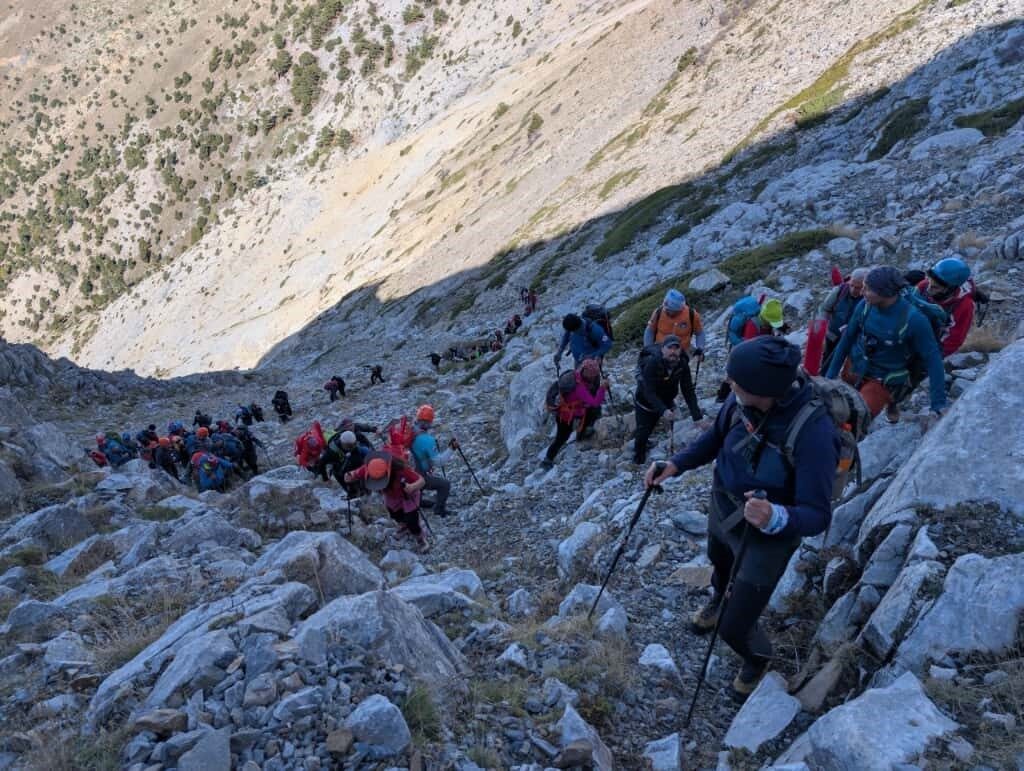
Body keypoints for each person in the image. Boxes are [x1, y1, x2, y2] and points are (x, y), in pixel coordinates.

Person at [646, 337, 839, 698]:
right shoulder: (739, 403)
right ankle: (719, 599)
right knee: (719, 562)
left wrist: (774, 516)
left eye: (736, 379)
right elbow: (715, 439)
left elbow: (817, 514)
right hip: (724, 506)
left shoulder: (814, 433)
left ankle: (757, 657)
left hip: (766, 538)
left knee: (734, 627)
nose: (729, 382)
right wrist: (676, 464)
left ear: (762, 389)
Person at [824, 266, 946, 423]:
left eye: (868, 289)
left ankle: (892, 402)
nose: (862, 292)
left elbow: (933, 359)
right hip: (854, 367)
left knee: (855, 420)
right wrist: (829, 378)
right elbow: (847, 339)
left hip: (882, 380)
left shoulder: (914, 320)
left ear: (886, 293)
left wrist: (938, 404)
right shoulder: (864, 306)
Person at [634, 335, 703, 465]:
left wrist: (697, 417)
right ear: (662, 349)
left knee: (656, 428)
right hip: (645, 403)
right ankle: (638, 461)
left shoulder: (682, 364)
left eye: (676, 348)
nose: (673, 351)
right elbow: (648, 392)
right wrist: (663, 410)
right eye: (669, 348)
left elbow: (688, 390)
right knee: (643, 433)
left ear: (680, 350)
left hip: (666, 400)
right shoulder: (652, 363)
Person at [345, 452, 429, 550]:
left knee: (411, 519)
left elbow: (422, 481)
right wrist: (349, 475)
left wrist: (412, 487)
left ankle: (419, 537)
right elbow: (355, 473)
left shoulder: (401, 469)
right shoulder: (370, 468)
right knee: (394, 513)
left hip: (408, 494)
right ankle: (404, 526)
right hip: (391, 495)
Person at [542, 359, 608, 470]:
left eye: (596, 374)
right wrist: (602, 388)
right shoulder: (578, 387)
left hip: (574, 411)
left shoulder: (578, 375)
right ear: (586, 372)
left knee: (592, 412)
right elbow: (595, 402)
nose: (595, 377)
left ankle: (582, 434)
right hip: (566, 416)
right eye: (593, 374)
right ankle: (547, 460)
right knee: (562, 438)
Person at [914, 256, 976, 358]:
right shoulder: (924, 285)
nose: (928, 289)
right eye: (929, 282)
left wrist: (930, 357)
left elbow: (954, 340)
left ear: (950, 289)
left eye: (935, 287)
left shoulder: (964, 306)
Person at [410, 404, 457, 517]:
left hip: (407, 472)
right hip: (418, 475)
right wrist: (451, 448)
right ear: (429, 422)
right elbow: (439, 462)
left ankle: (418, 501)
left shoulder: (410, 430)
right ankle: (439, 509)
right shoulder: (427, 439)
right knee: (445, 485)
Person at [820, 268, 869, 367]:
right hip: (832, 335)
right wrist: (824, 331)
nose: (853, 290)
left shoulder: (869, 299)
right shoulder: (839, 291)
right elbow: (824, 309)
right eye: (851, 285)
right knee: (827, 360)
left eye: (858, 287)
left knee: (847, 364)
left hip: (853, 339)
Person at [643, 289, 706, 358]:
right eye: (665, 308)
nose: (665, 310)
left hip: (683, 353)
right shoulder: (658, 312)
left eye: (669, 310)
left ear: (679, 310)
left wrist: (700, 349)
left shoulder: (692, 315)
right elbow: (650, 331)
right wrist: (648, 349)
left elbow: (700, 333)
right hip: (660, 352)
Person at [317, 430, 369, 494]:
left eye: (354, 444)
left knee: (360, 456)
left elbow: (361, 438)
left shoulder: (352, 440)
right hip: (338, 460)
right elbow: (321, 464)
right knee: (340, 473)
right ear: (343, 444)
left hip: (349, 453)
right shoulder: (331, 452)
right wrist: (326, 479)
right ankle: (351, 492)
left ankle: (365, 478)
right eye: (349, 446)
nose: (352, 447)